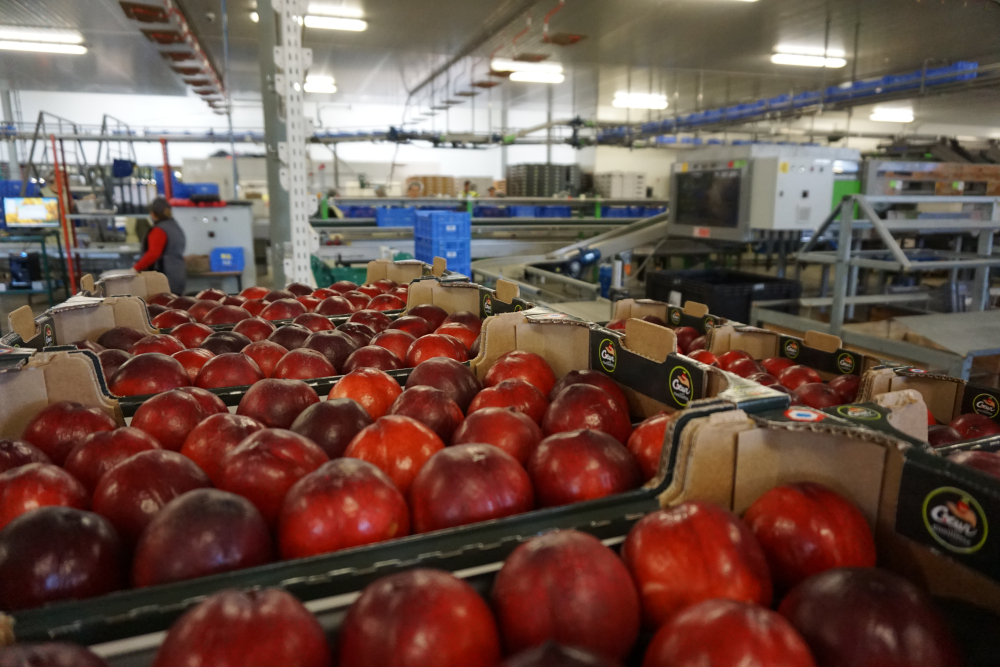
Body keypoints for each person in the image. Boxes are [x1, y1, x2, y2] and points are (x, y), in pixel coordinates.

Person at [133, 197, 187, 295]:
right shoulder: (175, 227)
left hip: (164, 279)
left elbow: (153, 254)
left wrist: (135, 269)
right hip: (178, 275)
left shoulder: (159, 230)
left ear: (153, 214)